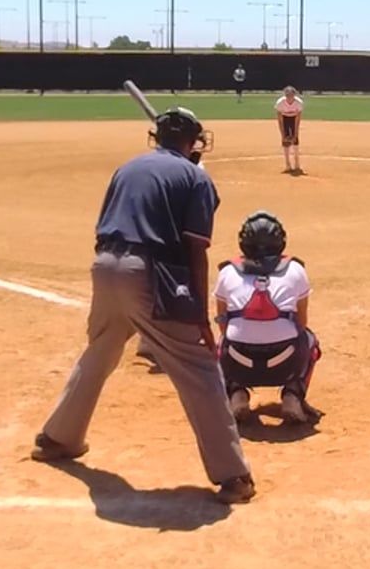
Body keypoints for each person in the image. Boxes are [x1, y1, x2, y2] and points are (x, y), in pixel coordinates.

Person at [30, 106, 255, 505]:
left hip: (105, 266)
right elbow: (196, 250)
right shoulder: (195, 178)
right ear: (193, 141)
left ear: (157, 137)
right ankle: (233, 475)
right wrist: (199, 316)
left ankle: (57, 438)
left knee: (100, 350)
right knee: (198, 367)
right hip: (149, 273)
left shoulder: (127, 168)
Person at [215, 211, 323, 426]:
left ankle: (236, 394)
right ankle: (293, 395)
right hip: (285, 361)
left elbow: (223, 323)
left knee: (221, 342)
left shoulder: (227, 272)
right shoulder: (295, 269)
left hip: (238, 361)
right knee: (310, 341)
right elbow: (301, 323)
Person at [274, 86, 305, 175]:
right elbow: (280, 120)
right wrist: (283, 135)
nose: (289, 98)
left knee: (295, 141)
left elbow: (298, 119)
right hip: (284, 119)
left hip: (294, 119)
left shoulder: (298, 103)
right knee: (285, 142)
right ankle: (287, 164)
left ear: (294, 95)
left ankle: (297, 163)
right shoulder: (280, 103)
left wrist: (295, 134)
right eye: (287, 95)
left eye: (291, 95)